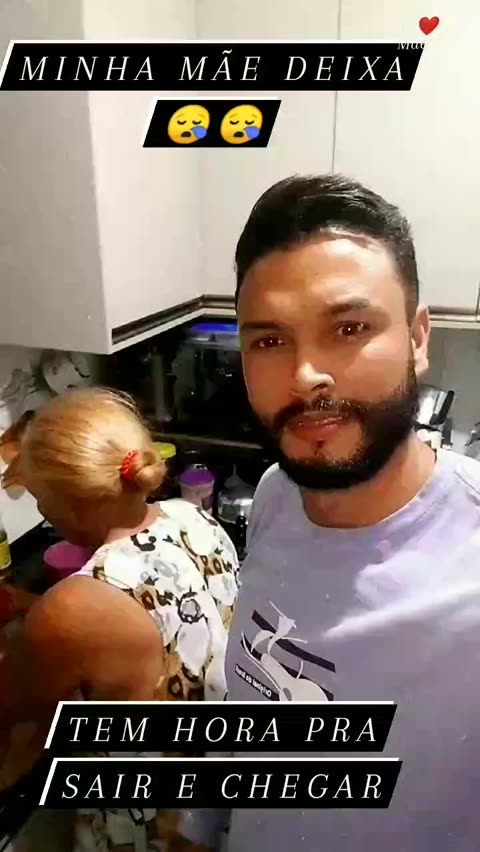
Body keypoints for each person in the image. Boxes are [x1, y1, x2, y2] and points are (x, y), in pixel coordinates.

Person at [184, 174, 480, 852]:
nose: (305, 375)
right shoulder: (276, 496)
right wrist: (201, 824)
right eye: (269, 341)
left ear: (418, 337)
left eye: (349, 328)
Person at [0, 387, 239, 851]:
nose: (41, 509)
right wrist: (32, 605)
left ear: (68, 500)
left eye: (40, 496)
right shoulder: (194, 519)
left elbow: (11, 702)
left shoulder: (76, 608)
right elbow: (156, 614)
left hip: (146, 831)